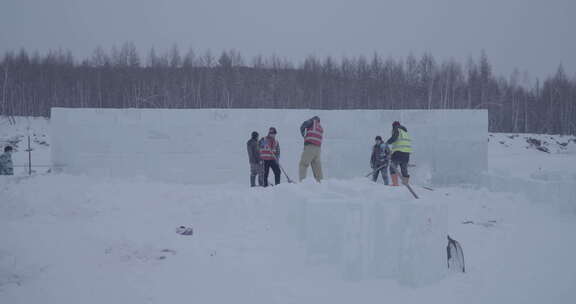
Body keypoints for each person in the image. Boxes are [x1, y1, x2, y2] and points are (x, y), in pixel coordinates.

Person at [386, 121, 412, 185]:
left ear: (394, 126)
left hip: (398, 152)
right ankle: (405, 184)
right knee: (404, 169)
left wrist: (387, 142)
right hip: (406, 153)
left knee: (392, 167)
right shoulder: (405, 132)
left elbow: (394, 138)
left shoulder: (396, 129)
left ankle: (395, 184)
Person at [299, 116, 323, 182]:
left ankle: (302, 183)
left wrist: (303, 135)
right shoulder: (320, 127)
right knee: (317, 168)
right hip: (318, 150)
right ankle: (321, 184)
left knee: (303, 164)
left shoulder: (312, 122)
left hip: (310, 146)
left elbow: (303, 126)